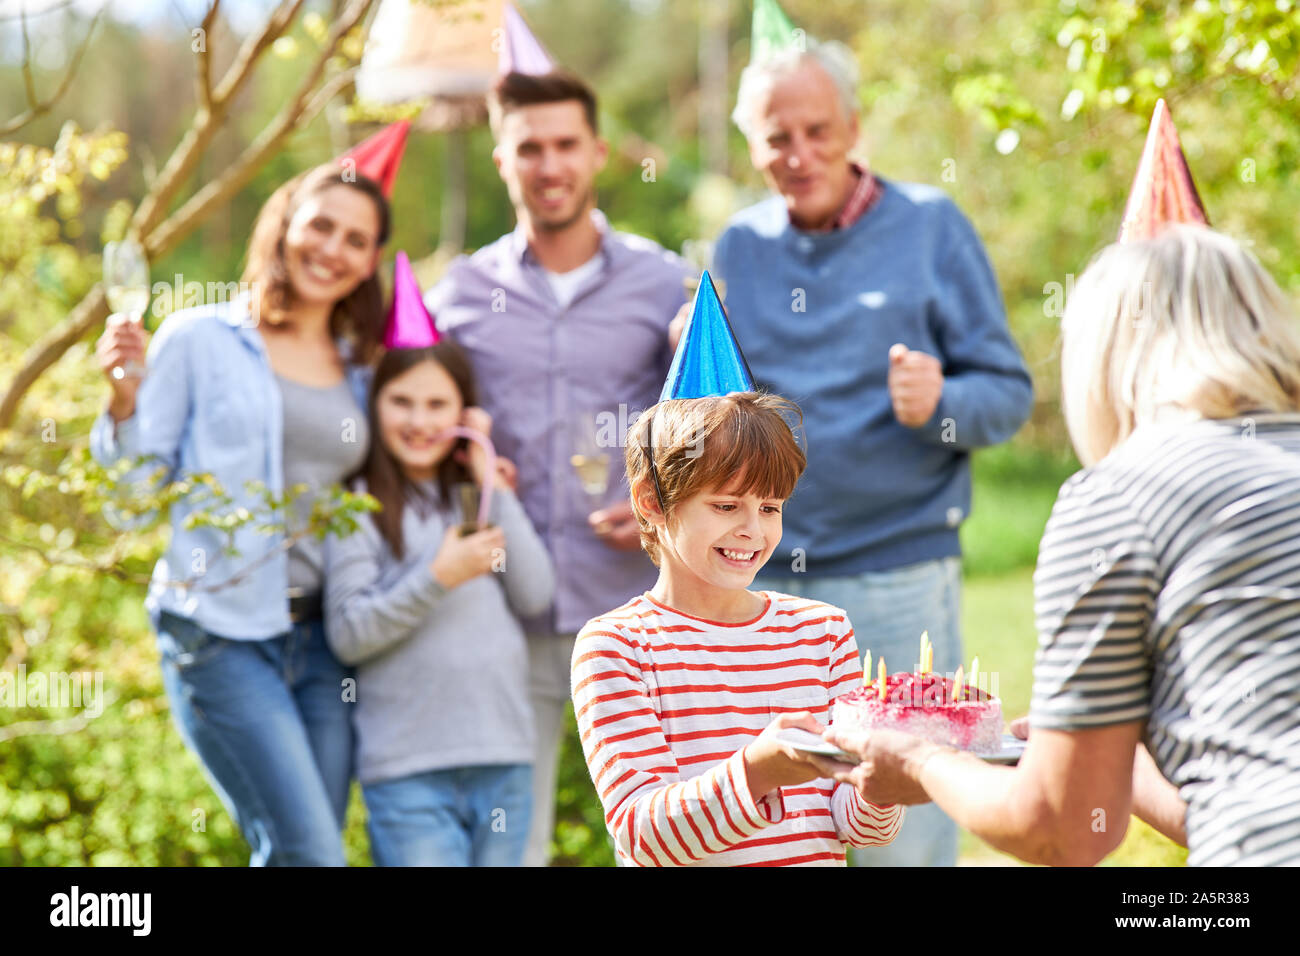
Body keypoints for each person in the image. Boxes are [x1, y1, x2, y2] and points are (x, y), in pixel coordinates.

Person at [818, 226, 1300, 867]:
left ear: (1105, 357)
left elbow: (1063, 831)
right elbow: (1247, 793)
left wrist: (923, 759)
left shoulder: (1123, 493)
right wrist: (1106, 753)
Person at [709, 38, 1034, 866]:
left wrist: (943, 404)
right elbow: (720, 414)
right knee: (773, 830)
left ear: (854, 128)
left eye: (818, 130)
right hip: (764, 583)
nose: (799, 153)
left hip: (896, 578)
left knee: (905, 831)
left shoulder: (931, 226)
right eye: (778, 137)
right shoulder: (738, 250)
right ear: (753, 144)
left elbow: (1007, 395)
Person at [424, 68, 691, 866]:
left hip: (643, 613)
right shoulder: (463, 291)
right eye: (529, 148)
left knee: (670, 832)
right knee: (513, 843)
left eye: (566, 145)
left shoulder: (664, 280)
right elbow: (404, 416)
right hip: (506, 613)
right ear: (502, 160)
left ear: (598, 152)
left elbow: (712, 423)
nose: (550, 166)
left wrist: (660, 500)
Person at [91, 164, 390, 865]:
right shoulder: (200, 339)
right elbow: (132, 501)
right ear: (283, 224)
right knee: (312, 853)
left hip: (324, 642)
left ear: (371, 260)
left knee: (299, 855)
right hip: (219, 632)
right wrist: (125, 402)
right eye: (320, 224)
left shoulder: (364, 368)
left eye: (355, 238)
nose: (331, 248)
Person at [571, 391, 903, 866]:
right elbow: (643, 835)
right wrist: (757, 771)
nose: (754, 529)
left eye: (770, 508)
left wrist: (884, 782)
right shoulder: (618, 647)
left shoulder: (822, 631)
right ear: (652, 501)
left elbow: (857, 827)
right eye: (726, 506)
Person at [323, 339, 554, 867]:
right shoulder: (357, 504)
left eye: (437, 404)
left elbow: (536, 592)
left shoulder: (477, 498)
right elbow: (348, 634)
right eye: (401, 402)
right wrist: (437, 578)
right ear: (374, 403)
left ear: (464, 411)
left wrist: (491, 479)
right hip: (408, 768)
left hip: (503, 755)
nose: (420, 421)